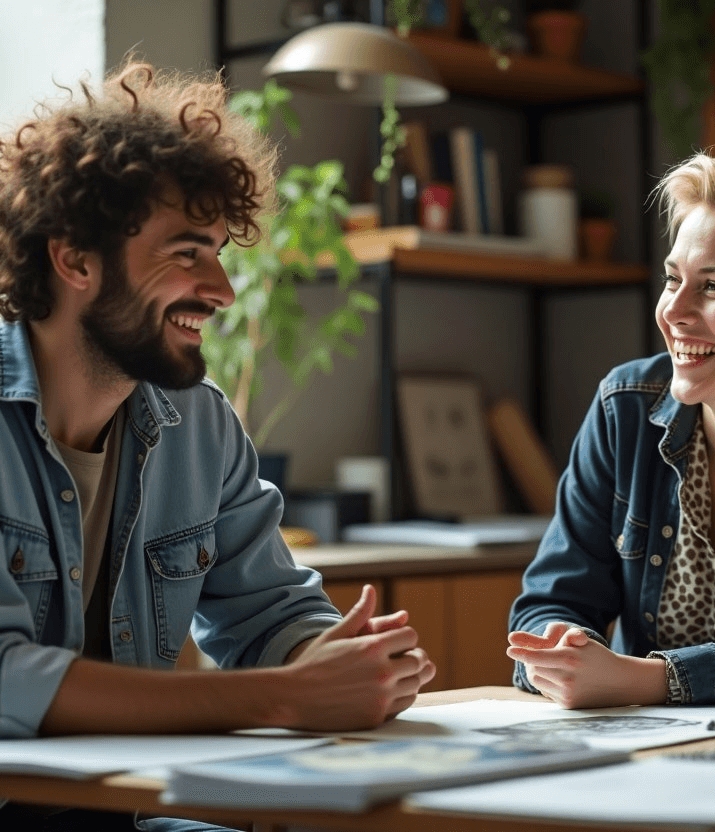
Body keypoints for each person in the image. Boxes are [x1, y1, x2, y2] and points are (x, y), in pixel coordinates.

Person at [0, 61, 434, 830]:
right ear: (74, 260)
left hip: (131, 813)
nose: (223, 291)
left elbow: (265, 615)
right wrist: (284, 695)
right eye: (186, 252)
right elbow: (8, 683)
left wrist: (337, 662)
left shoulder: (198, 425)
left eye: (220, 253)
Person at [508, 152, 715, 708]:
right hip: (654, 763)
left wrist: (648, 680)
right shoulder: (624, 409)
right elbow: (549, 602)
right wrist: (565, 650)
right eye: (672, 279)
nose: (673, 312)